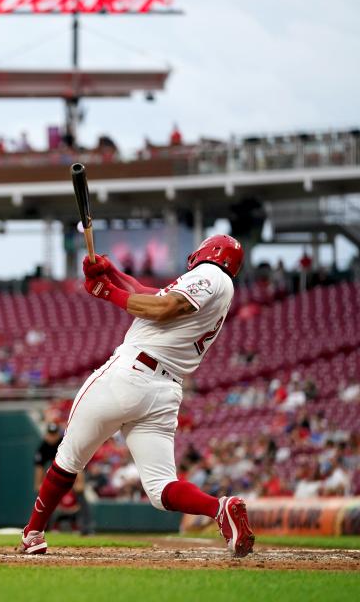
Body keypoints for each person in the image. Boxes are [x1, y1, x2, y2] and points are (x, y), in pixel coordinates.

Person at [17, 235, 255, 558]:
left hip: (130, 374)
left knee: (68, 458)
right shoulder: (219, 286)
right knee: (160, 488)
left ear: (210, 251)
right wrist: (112, 273)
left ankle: (33, 533)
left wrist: (108, 292)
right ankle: (219, 508)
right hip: (164, 391)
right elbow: (150, 295)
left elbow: (160, 307)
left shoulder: (210, 275)